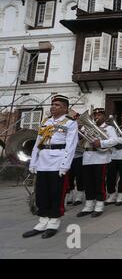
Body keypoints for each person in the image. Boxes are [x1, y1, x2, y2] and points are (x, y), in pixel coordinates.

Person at [23, 95, 78, 239]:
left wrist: (65, 165)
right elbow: (38, 143)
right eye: (52, 104)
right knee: (41, 193)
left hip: (58, 161)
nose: (53, 107)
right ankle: (42, 221)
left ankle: (53, 222)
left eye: (57, 105)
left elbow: (71, 146)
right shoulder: (45, 122)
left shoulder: (70, 123)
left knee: (56, 193)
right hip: (43, 161)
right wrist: (33, 162)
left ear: (65, 108)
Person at [77, 108, 118, 218]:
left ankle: (99, 205)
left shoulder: (109, 128)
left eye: (99, 115)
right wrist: (81, 134)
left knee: (99, 182)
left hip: (101, 158)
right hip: (87, 157)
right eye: (95, 115)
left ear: (104, 116)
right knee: (88, 183)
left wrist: (101, 142)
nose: (96, 117)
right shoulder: (87, 127)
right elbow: (80, 141)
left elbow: (115, 140)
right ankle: (89, 205)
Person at [105, 113, 122, 206]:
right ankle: (112, 195)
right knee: (110, 176)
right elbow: (112, 139)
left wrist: (118, 140)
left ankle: (120, 196)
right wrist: (117, 139)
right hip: (113, 155)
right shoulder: (116, 130)